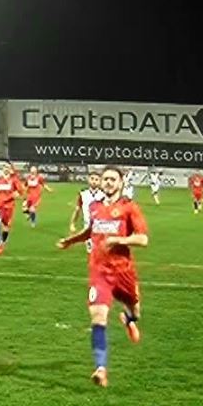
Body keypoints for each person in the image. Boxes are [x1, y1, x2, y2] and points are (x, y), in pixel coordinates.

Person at [57, 164, 149, 388]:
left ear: (121, 183)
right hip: (100, 272)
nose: (108, 183)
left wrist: (120, 240)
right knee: (98, 317)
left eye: (112, 179)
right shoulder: (95, 207)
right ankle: (100, 369)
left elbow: (143, 239)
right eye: (105, 179)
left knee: (136, 311)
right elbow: (91, 230)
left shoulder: (129, 208)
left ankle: (128, 319)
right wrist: (72, 241)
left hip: (124, 272)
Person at [70, 168, 104, 232]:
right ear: (88, 180)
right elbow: (77, 210)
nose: (94, 181)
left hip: (101, 227)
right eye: (92, 179)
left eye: (96, 180)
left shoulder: (104, 194)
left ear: (100, 181)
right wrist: (72, 223)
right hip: (87, 227)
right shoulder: (83, 193)